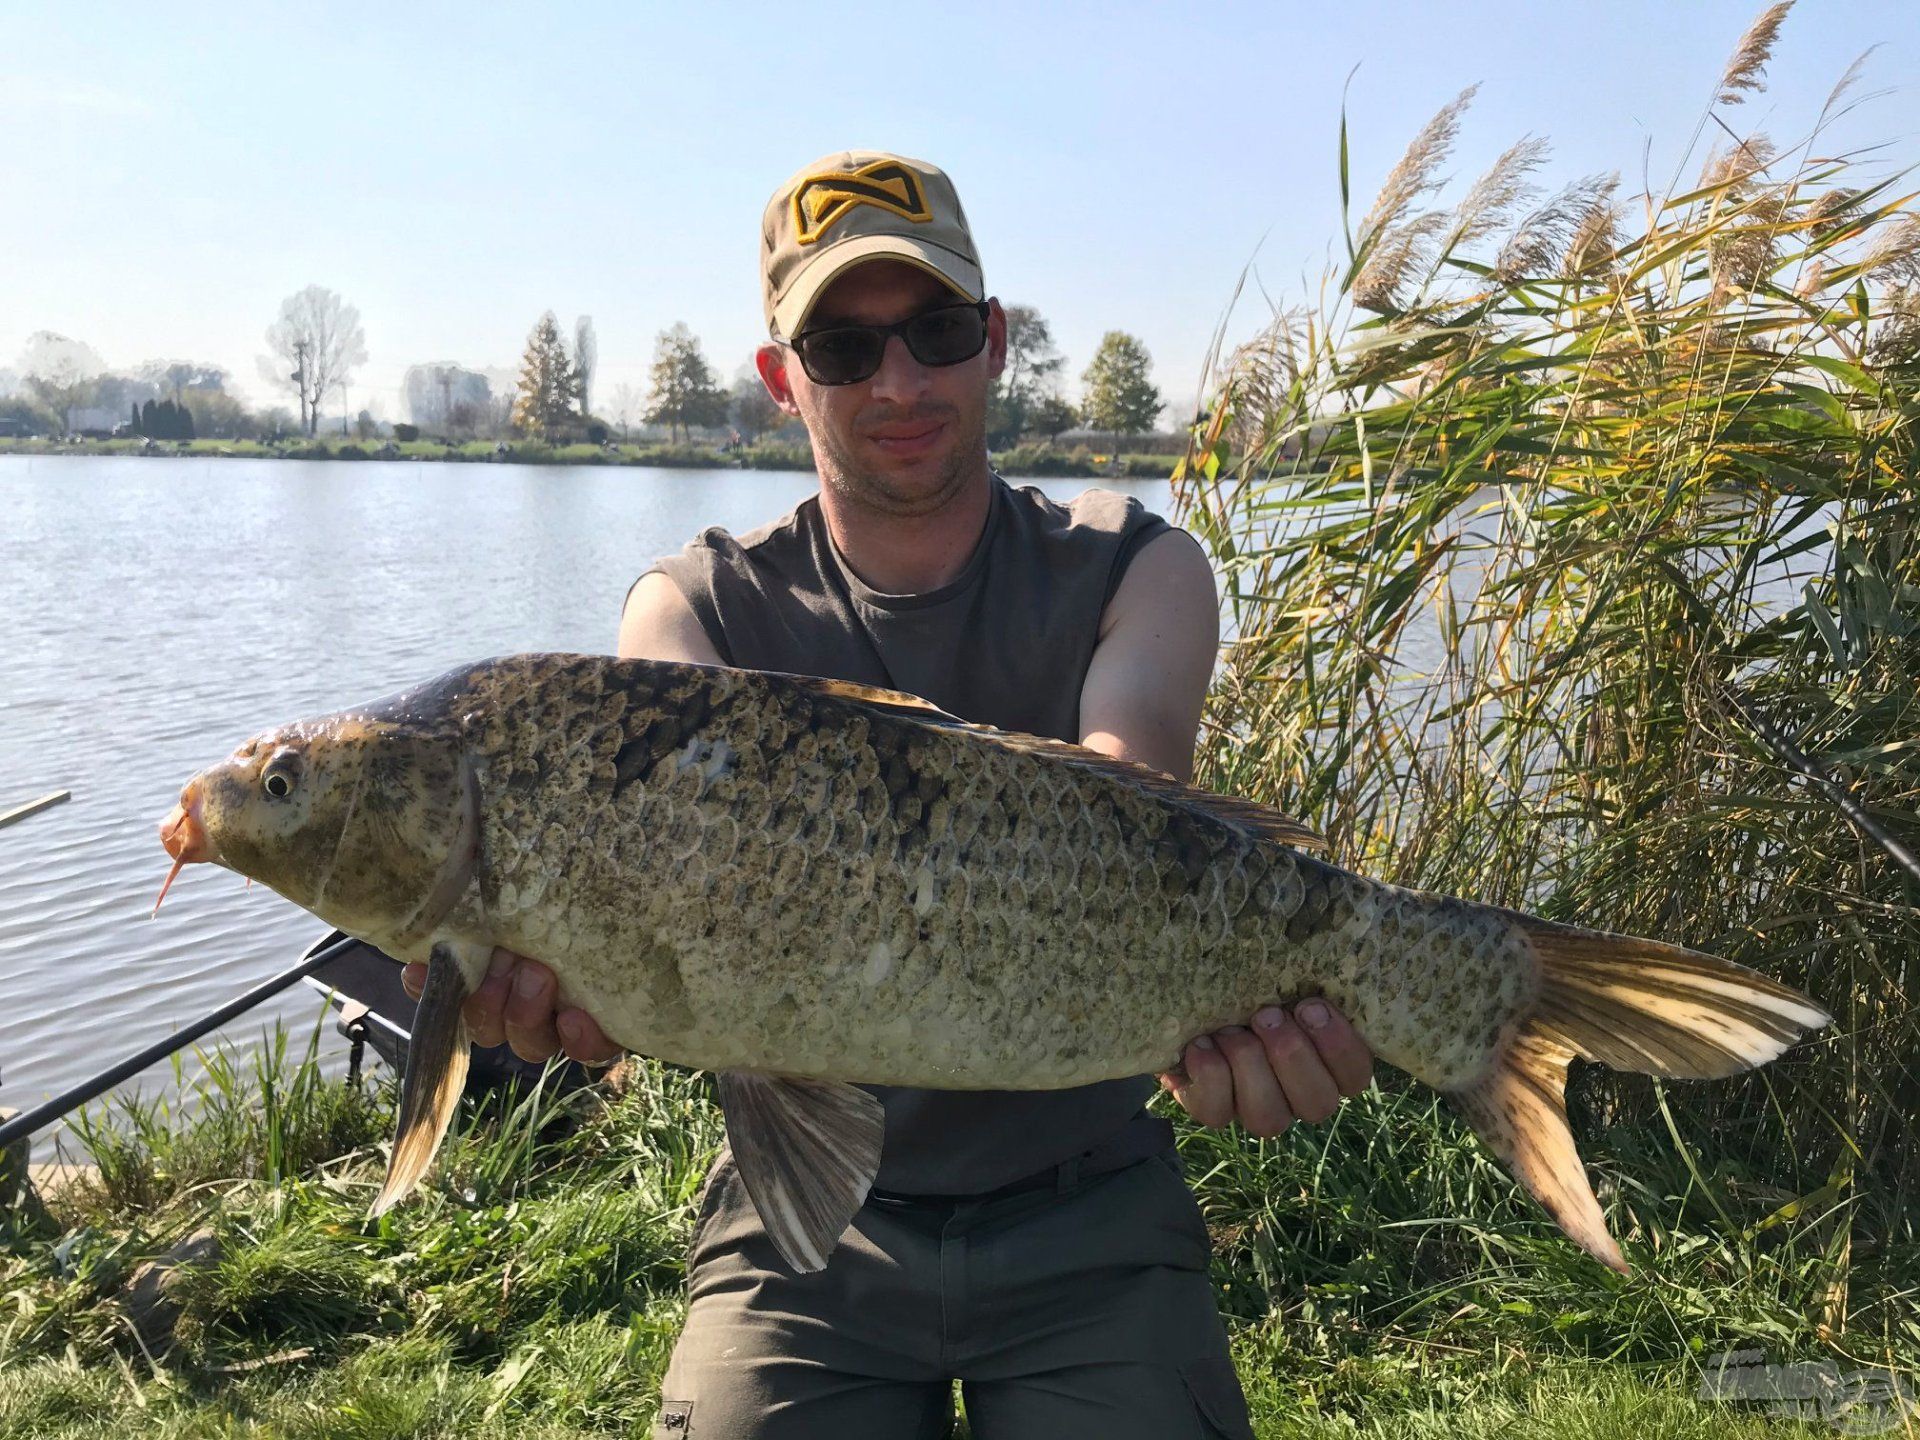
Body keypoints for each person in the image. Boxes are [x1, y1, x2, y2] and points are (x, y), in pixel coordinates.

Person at [406, 150, 1373, 1438]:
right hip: (798, 1227)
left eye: (933, 331)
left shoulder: (1137, 566)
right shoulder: (690, 609)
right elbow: (629, 854)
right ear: (779, 380)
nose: (901, 382)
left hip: (1091, 1199)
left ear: (994, 340)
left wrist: (1257, 1015)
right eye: (845, 350)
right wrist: (549, 959)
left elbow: (1127, 801)